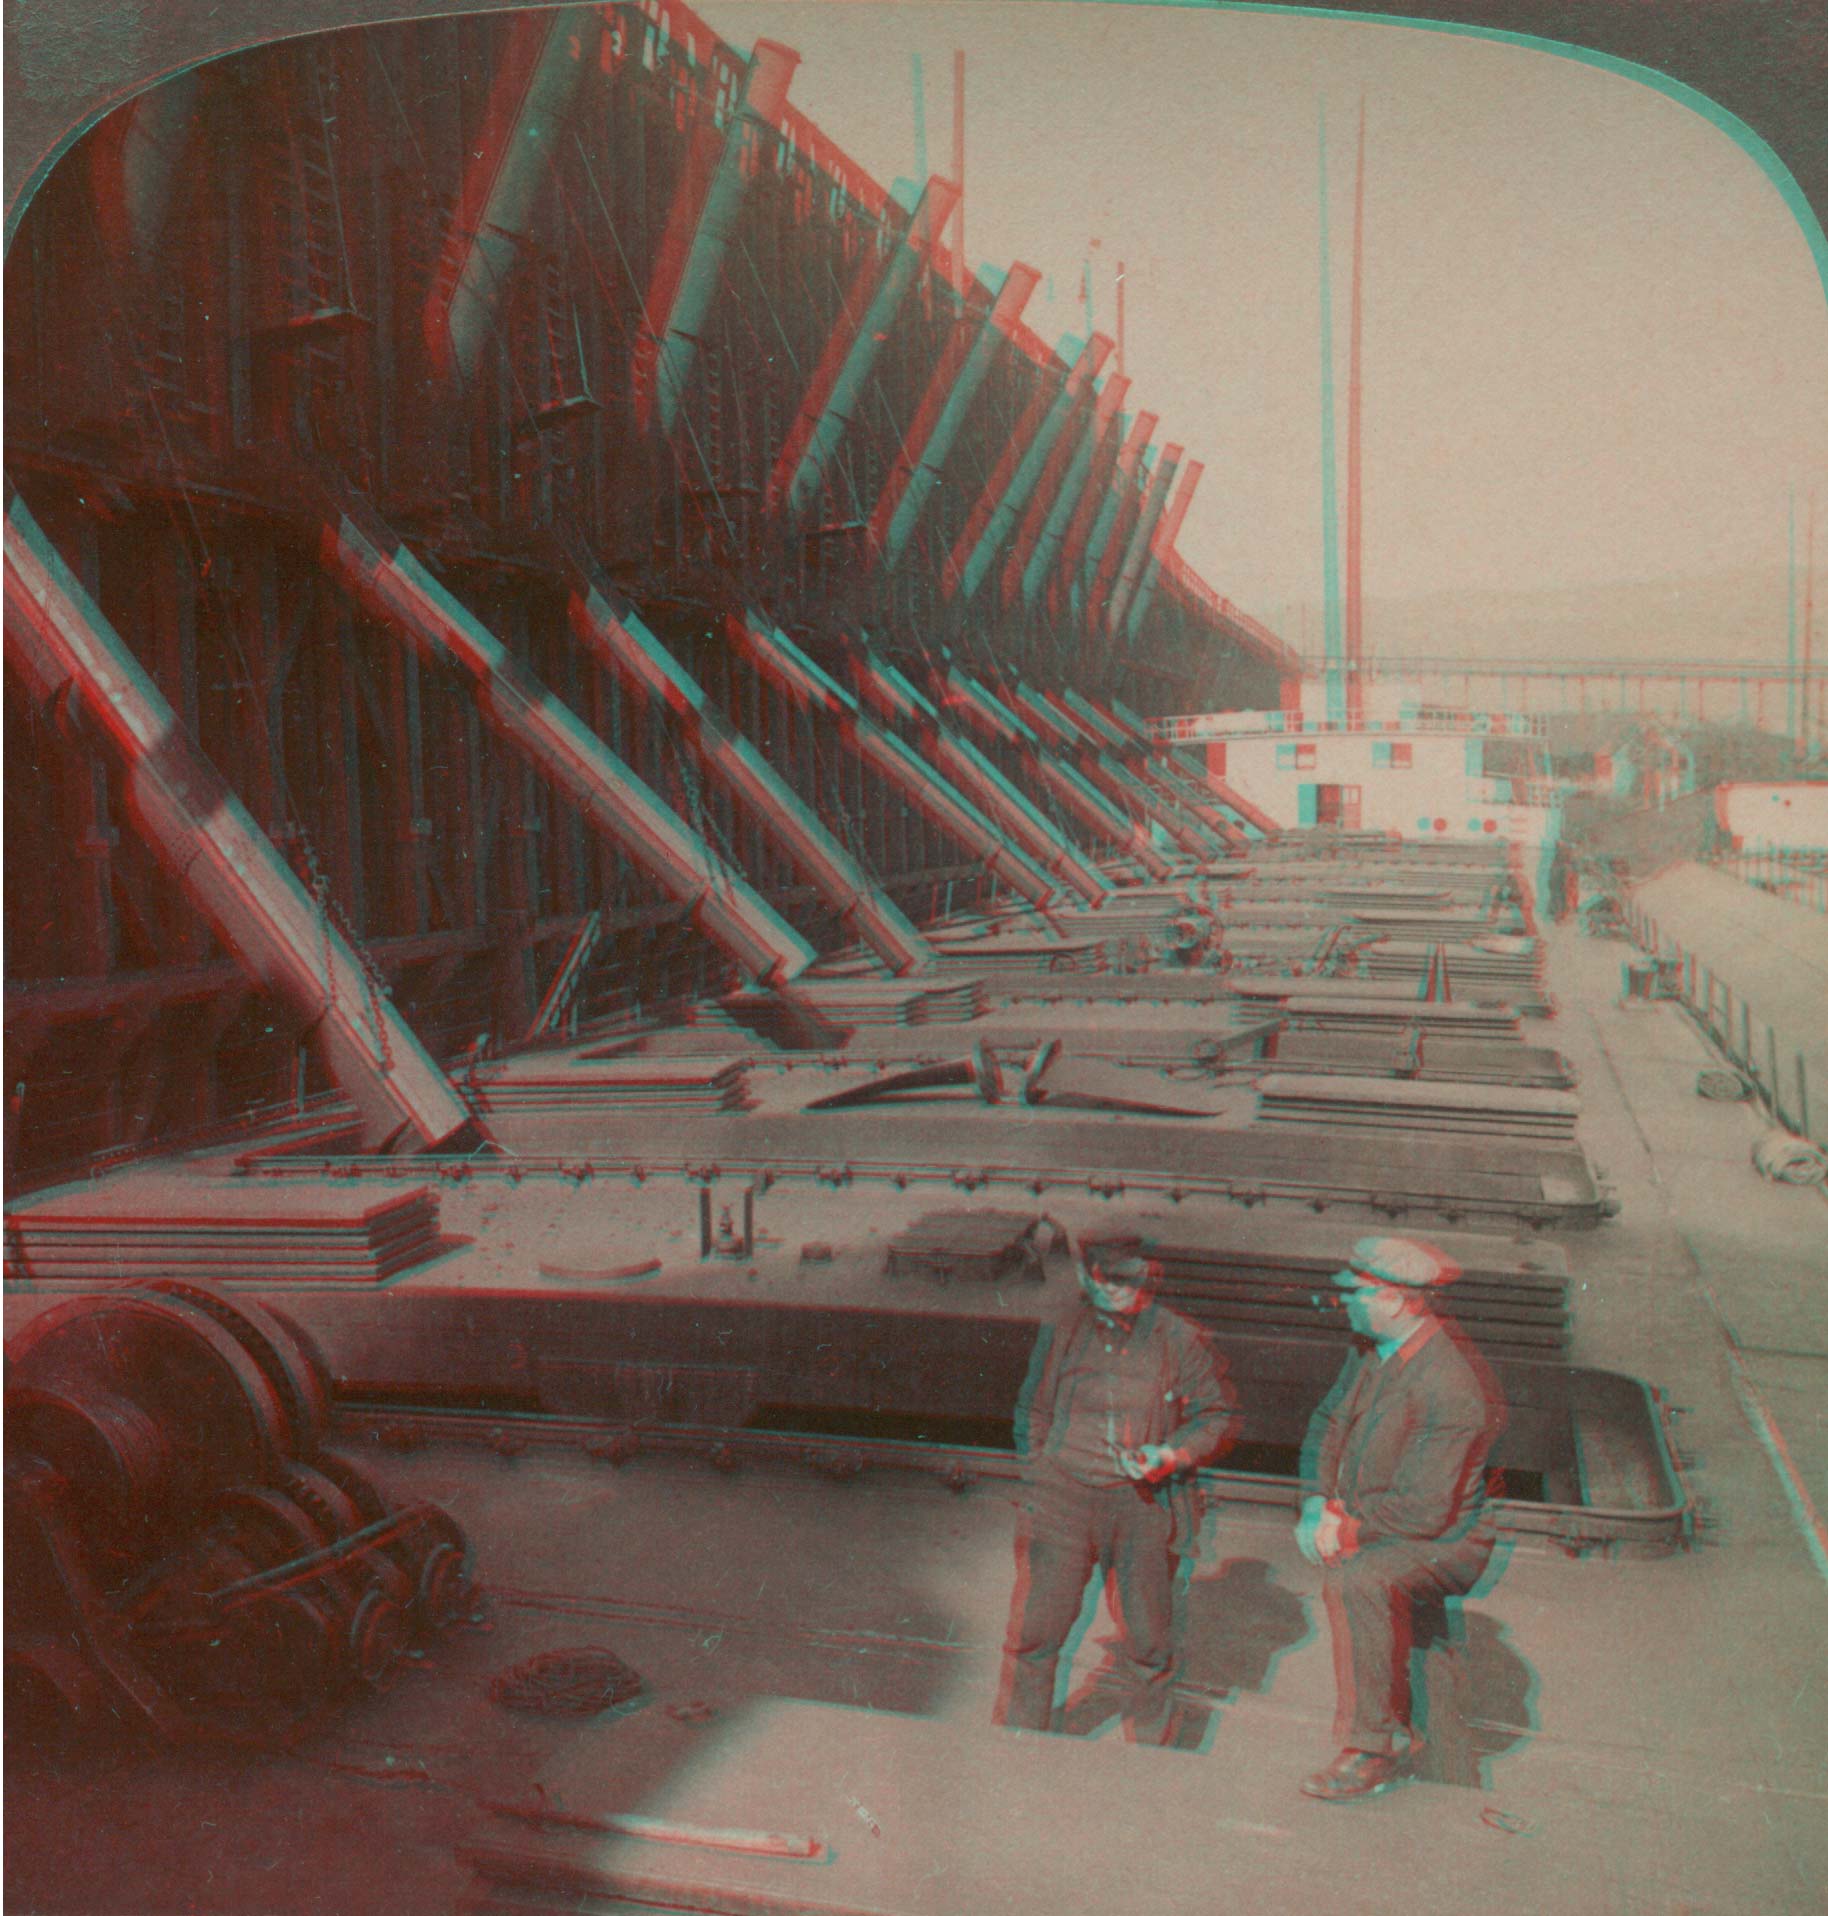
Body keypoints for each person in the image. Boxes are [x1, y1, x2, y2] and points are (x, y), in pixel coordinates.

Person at [997, 1224, 1234, 1744]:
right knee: (1038, 1636)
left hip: (1142, 1508)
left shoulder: (1180, 1340)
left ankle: (1150, 1755)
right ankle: (1015, 1749)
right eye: (1101, 1279)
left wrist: (1171, 1455)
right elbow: (1034, 1410)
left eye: (1123, 1281)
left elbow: (1216, 1418)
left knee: (1149, 1645)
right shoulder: (1065, 1328)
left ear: (1148, 1278)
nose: (1111, 1291)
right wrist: (1042, 1473)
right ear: (1087, 1274)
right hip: (1064, 1502)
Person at [1297, 1235, 1505, 1801]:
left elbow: (1426, 1509)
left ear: (1395, 1299)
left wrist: (1347, 1531)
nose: (1346, 1303)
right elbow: (1330, 1422)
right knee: (1418, 1638)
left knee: (1361, 1580)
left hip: (1446, 1539)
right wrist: (1318, 1502)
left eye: (1357, 1293)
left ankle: (1372, 1749)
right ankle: (1447, 1761)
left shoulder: (1451, 1385)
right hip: (1398, 1520)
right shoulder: (1375, 1350)